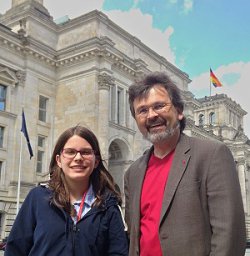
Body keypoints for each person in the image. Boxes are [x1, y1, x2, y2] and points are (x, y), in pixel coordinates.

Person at [124, 71, 246, 256]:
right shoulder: (133, 172)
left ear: (179, 112)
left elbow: (229, 235)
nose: (151, 115)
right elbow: (135, 234)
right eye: (142, 110)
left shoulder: (212, 154)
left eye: (159, 106)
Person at [5, 125, 128, 256]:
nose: (78, 158)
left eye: (85, 152)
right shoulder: (37, 198)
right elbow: (15, 249)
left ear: (96, 161)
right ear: (58, 160)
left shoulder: (108, 205)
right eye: (70, 152)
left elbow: (118, 252)